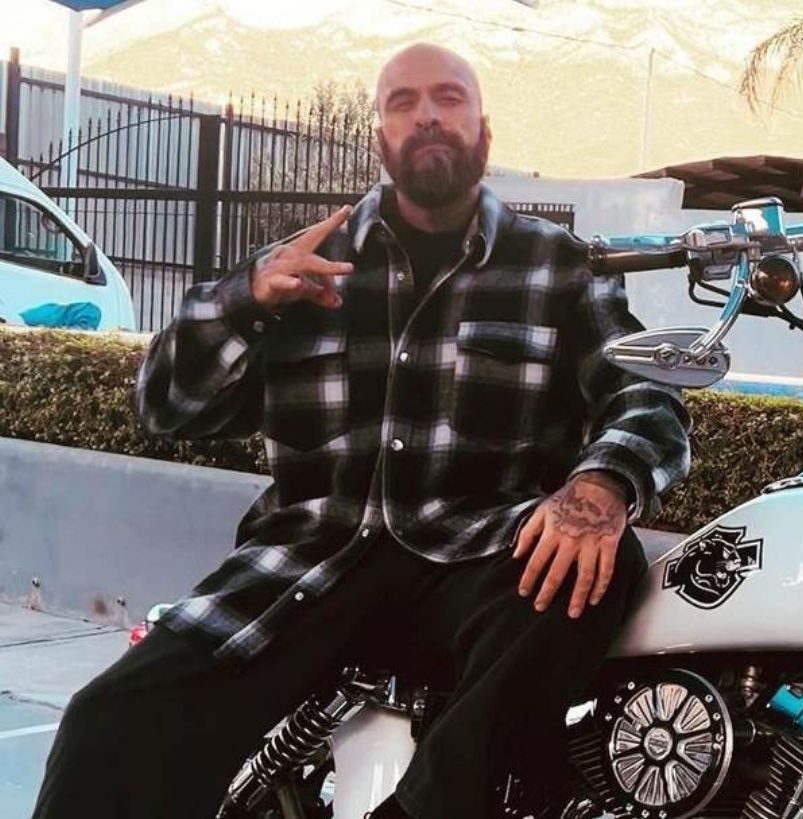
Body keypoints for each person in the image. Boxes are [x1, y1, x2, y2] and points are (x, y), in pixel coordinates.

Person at [31, 42, 691, 819]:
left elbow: (643, 390)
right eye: (403, 102)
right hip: (309, 565)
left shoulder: (558, 265)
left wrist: (602, 484)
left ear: (484, 130)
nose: (427, 115)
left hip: (474, 558)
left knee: (591, 564)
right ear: (380, 136)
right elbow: (165, 405)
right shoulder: (301, 265)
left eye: (448, 97)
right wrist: (244, 302)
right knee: (108, 724)